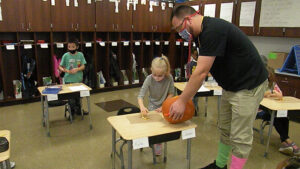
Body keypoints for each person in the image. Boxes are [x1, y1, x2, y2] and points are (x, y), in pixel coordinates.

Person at [170, 5, 268, 169]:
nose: (180, 33)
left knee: (240, 136)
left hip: (248, 85)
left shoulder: (213, 30)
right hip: (231, 86)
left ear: (187, 20)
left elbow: (201, 72)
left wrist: (182, 101)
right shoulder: (199, 35)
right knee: (225, 128)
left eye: (179, 28)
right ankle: (220, 165)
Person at [258, 56, 300, 156]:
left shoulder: (272, 84)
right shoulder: (258, 83)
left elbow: (280, 94)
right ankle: (287, 141)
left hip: (272, 110)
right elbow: (258, 95)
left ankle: (284, 143)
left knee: (284, 117)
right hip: (260, 111)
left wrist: (272, 93)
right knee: (276, 116)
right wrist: (269, 94)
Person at [137, 55, 174, 155]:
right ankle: (151, 141)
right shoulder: (149, 79)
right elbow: (140, 96)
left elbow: (171, 93)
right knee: (151, 129)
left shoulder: (169, 78)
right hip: (152, 108)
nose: (157, 78)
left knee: (161, 130)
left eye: (160, 76)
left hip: (165, 107)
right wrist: (142, 107)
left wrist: (163, 106)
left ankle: (158, 143)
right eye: (154, 75)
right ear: (151, 70)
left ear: (166, 72)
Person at [59, 38, 87, 118]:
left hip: (78, 80)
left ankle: (79, 110)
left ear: (77, 47)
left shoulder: (80, 55)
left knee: (78, 97)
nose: (71, 48)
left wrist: (77, 69)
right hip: (68, 80)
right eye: (69, 47)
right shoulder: (65, 55)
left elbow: (83, 66)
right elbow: (60, 66)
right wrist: (66, 71)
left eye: (73, 47)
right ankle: (71, 113)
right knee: (71, 99)